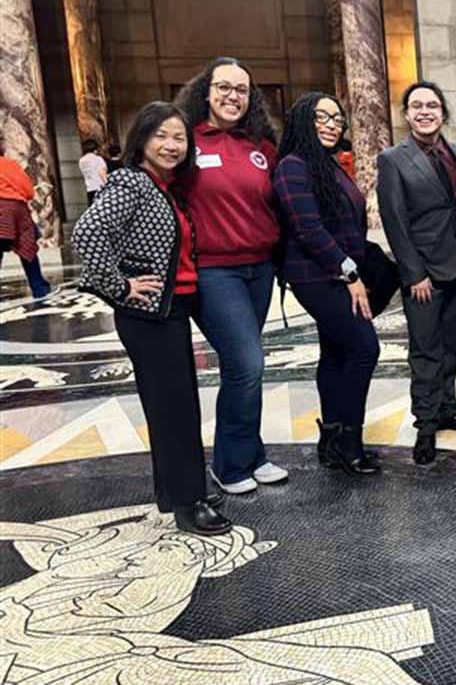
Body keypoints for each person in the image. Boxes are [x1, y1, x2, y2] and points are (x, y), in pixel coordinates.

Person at [72, 102, 232, 536]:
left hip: (172, 309)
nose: (171, 144)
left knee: (175, 406)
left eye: (179, 137)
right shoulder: (131, 182)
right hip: (147, 315)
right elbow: (87, 232)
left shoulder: (167, 188)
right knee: (173, 409)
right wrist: (119, 286)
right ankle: (188, 504)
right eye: (161, 135)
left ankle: (183, 488)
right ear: (141, 139)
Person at [175, 57, 287, 495]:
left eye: (241, 90)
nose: (232, 96)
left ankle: (251, 453)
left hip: (259, 268)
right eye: (223, 87)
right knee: (247, 363)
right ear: (207, 91)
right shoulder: (188, 142)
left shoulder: (259, 145)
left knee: (246, 367)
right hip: (213, 271)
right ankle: (228, 463)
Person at [378, 81, 456, 466]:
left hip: (455, 266)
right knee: (425, 350)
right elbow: (394, 220)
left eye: (433, 106)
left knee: (451, 346)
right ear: (407, 114)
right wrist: (413, 274)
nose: (425, 112)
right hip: (422, 273)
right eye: (417, 106)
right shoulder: (393, 159)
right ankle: (425, 424)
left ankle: (448, 409)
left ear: (443, 113)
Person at [272, 92, 381, 476]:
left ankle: (332, 439)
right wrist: (349, 272)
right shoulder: (293, 166)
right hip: (318, 276)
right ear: (303, 119)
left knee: (336, 353)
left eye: (338, 119)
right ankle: (348, 442)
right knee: (365, 349)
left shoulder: (328, 165)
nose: (333, 124)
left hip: (335, 273)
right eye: (323, 117)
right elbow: (308, 229)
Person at [0, 154, 52, 299]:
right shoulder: (9, 164)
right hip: (15, 209)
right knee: (26, 247)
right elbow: (28, 190)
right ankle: (39, 288)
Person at [78, 139, 109, 205]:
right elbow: (102, 173)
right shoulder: (98, 159)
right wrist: (108, 186)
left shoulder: (81, 160)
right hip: (100, 188)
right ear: (95, 149)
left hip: (89, 189)